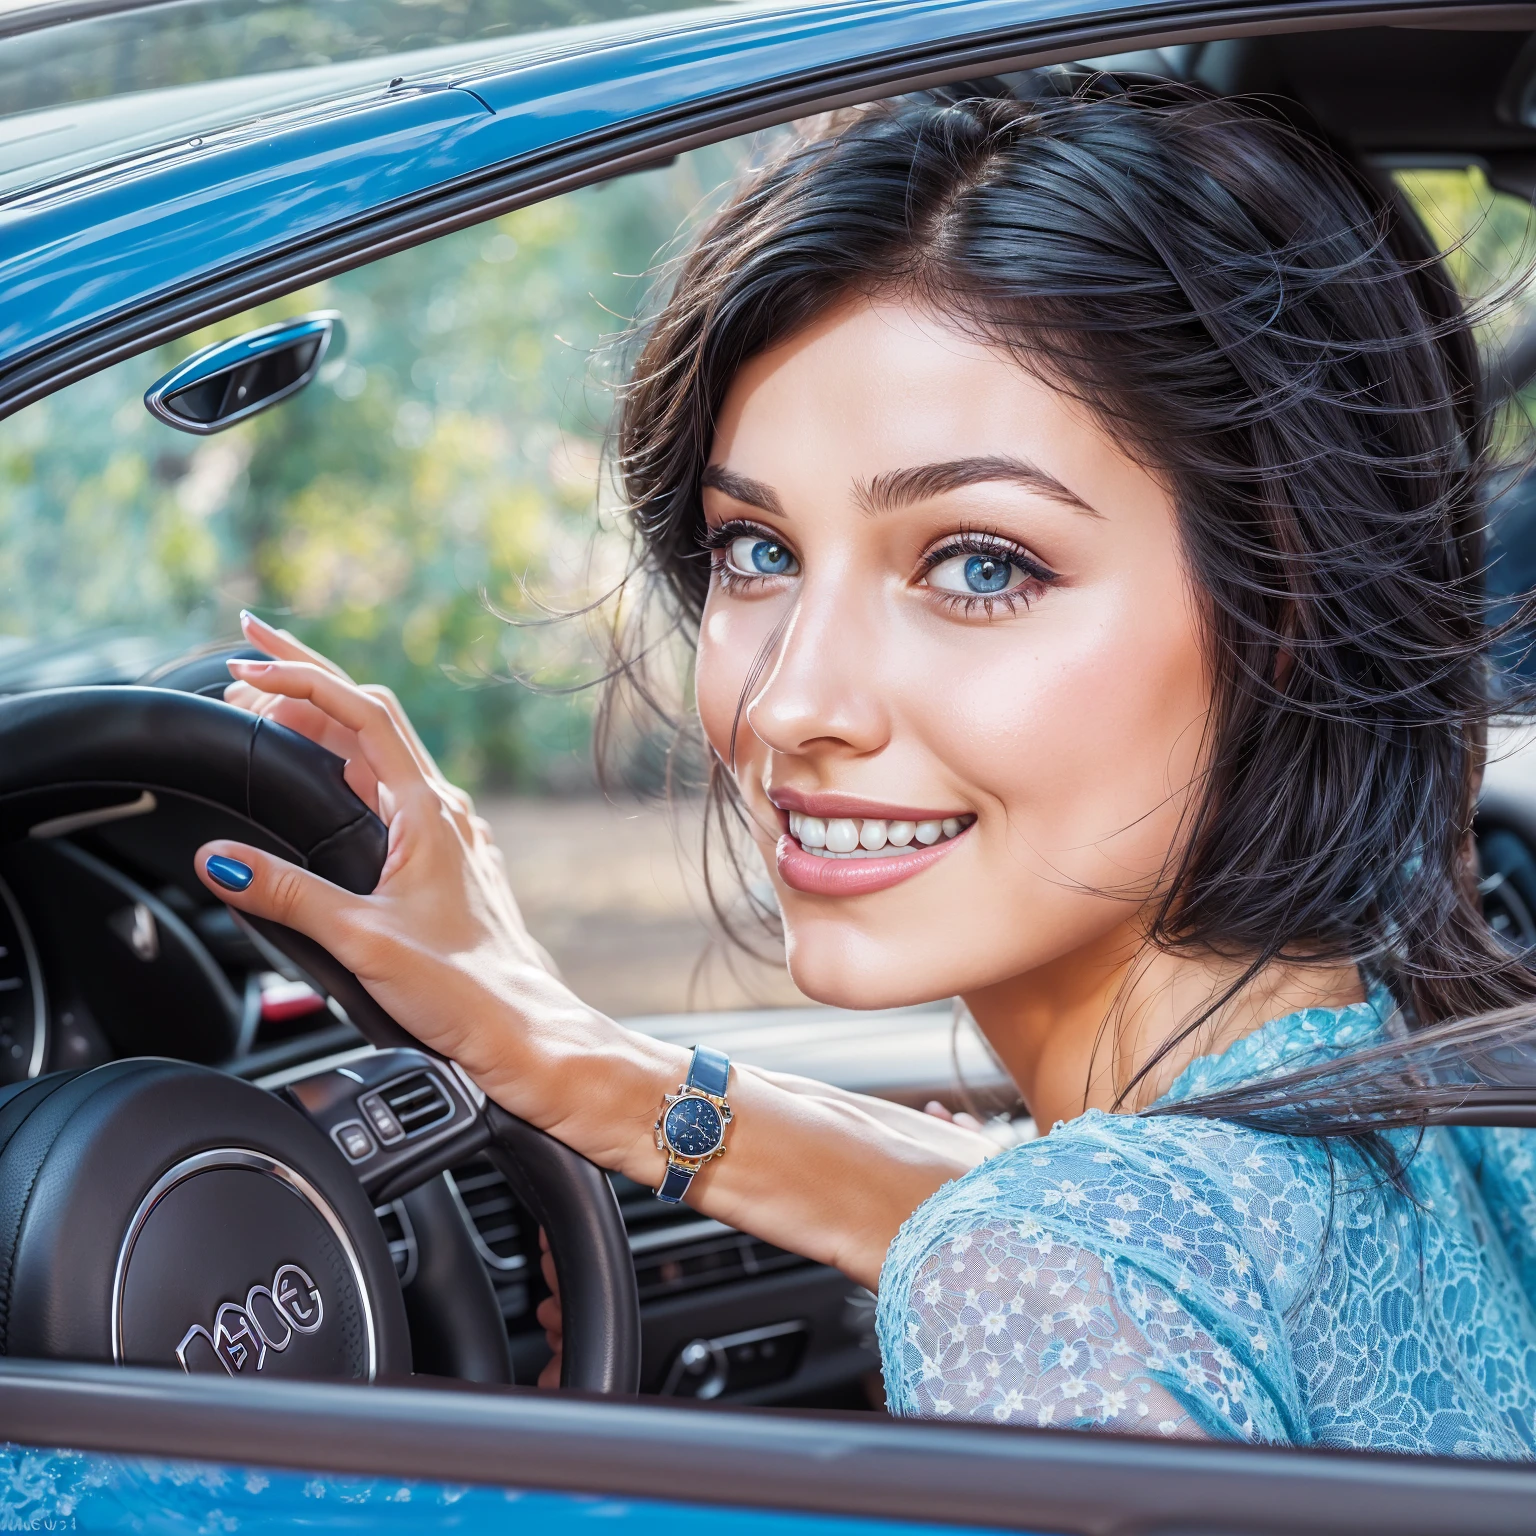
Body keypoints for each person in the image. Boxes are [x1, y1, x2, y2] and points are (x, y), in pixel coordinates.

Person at [195, 86, 1536, 1455]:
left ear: (1284, 608)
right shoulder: (1457, 1088)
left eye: (979, 566)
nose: (791, 703)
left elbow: (1066, 1259)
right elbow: (1104, 1236)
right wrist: (570, 1053)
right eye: (756, 551)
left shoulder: (1050, 1272)